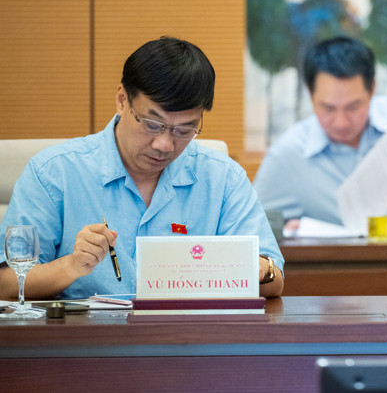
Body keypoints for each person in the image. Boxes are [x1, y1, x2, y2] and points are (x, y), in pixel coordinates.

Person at [0, 37, 284, 300]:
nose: (165, 144)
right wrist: (72, 266)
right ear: (123, 100)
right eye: (152, 124)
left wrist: (259, 269)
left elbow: (275, 280)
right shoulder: (54, 173)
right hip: (86, 344)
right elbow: (7, 285)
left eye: (185, 130)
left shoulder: (223, 178)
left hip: (188, 343)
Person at [254, 36, 387, 232]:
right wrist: (287, 231)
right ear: (310, 93)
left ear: (372, 89)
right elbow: (250, 228)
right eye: (328, 108)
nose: (341, 122)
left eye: (353, 107)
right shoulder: (287, 156)